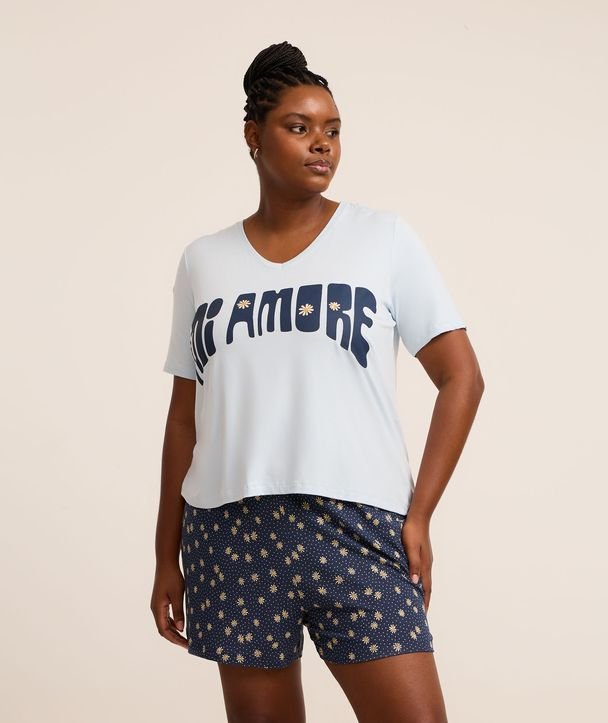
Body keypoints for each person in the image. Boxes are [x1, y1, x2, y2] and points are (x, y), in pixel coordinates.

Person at [151, 40, 484, 723]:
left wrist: (420, 513)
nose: (321, 143)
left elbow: (462, 378)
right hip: (231, 530)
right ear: (254, 135)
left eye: (332, 129)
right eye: (298, 127)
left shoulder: (382, 239)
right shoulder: (203, 261)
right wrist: (165, 556)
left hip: (356, 520)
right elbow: (185, 417)